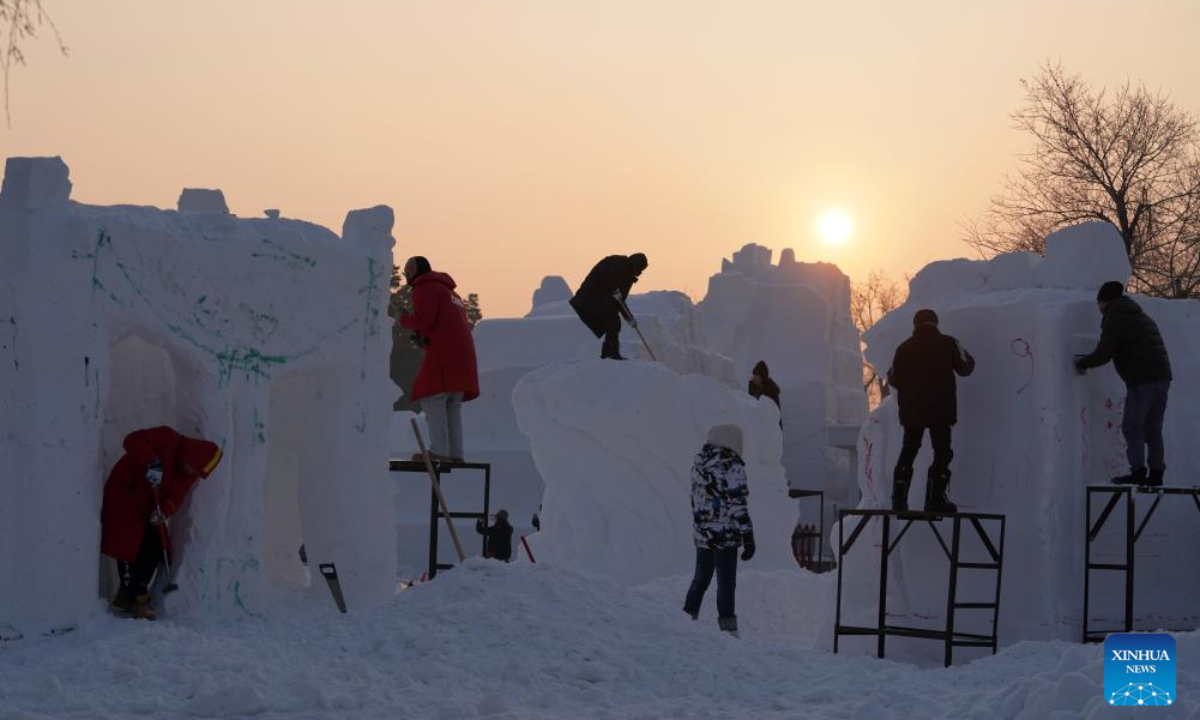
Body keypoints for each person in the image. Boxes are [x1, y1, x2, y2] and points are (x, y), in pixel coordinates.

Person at [101, 426, 222, 620]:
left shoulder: (189, 473)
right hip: (125, 495)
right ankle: (139, 599)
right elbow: (131, 440)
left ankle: (127, 595)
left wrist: (165, 511)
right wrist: (151, 462)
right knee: (130, 544)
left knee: (156, 545)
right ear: (193, 454)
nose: (191, 471)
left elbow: (177, 495)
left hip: (149, 506)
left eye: (195, 471)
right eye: (193, 466)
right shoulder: (167, 438)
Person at [1075, 281, 1172, 487]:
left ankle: (1137, 472)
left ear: (1105, 301)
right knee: (1153, 429)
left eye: (1099, 303)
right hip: (1162, 377)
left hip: (1142, 378)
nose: (1098, 308)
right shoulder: (1139, 315)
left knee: (1131, 426)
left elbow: (1105, 351)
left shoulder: (1116, 316)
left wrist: (1084, 362)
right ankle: (1156, 474)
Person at [887, 309, 975, 514]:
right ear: (936, 323)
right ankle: (935, 499)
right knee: (942, 453)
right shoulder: (948, 343)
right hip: (940, 411)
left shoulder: (903, 348)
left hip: (912, 413)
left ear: (915, 325)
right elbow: (966, 368)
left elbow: (893, 379)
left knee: (908, 452)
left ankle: (898, 500)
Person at [399, 256, 480, 463]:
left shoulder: (425, 288)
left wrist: (404, 319)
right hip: (463, 359)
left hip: (445, 357)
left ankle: (438, 451)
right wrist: (426, 341)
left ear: (412, 271)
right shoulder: (451, 293)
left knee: (432, 398)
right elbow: (444, 326)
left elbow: (425, 320)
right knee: (452, 403)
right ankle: (455, 453)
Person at [683, 424, 754, 637]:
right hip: (725, 536)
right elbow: (737, 504)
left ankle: (685, 621)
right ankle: (728, 631)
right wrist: (748, 536)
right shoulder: (731, 466)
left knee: (701, 578)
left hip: (703, 533)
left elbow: (695, 499)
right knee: (726, 583)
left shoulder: (699, 465)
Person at [569, 253, 649, 360]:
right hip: (590, 296)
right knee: (613, 321)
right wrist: (613, 287)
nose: (639, 273)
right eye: (639, 269)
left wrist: (629, 318)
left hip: (602, 299)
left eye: (641, 270)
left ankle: (610, 352)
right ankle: (610, 353)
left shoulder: (628, 276)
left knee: (614, 321)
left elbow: (620, 302)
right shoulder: (616, 262)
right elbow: (603, 275)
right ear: (634, 264)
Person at [748, 360, 781, 426]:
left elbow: (773, 414)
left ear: (762, 376)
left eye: (757, 375)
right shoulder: (754, 387)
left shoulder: (771, 390)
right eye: (754, 375)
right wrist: (751, 385)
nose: (754, 377)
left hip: (769, 426)